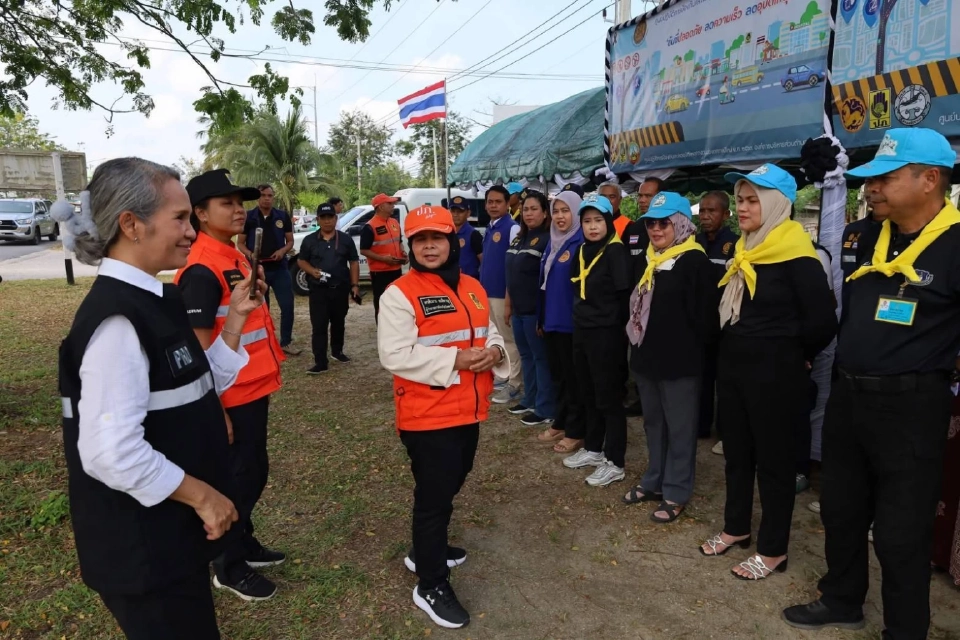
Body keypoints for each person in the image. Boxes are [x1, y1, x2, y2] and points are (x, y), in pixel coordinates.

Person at [55, 157, 263, 639]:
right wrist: (205, 497)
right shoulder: (117, 321)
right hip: (143, 551)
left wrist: (233, 321)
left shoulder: (154, 299)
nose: (192, 232)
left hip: (170, 539)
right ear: (131, 224)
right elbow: (110, 452)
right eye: (181, 218)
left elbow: (195, 383)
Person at [783, 128, 960, 637]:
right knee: (840, 510)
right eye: (871, 179)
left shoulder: (954, 244)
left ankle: (905, 630)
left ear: (929, 181)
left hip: (912, 408)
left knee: (901, 532)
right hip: (849, 396)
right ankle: (841, 599)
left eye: (886, 178)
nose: (873, 188)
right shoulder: (861, 236)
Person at [699, 163, 836, 581]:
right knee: (737, 455)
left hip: (777, 377)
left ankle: (774, 549)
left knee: (775, 465)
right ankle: (736, 527)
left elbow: (823, 322)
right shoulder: (745, 249)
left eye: (752, 200)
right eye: (739, 200)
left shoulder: (799, 256)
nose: (742, 208)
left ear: (777, 203)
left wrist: (793, 354)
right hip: (736, 371)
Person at [377, 205, 510, 630]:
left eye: (437, 237)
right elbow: (394, 355)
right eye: (420, 240)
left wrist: (495, 351)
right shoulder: (399, 293)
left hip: (469, 408)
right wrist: (458, 359)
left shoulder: (471, 285)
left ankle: (425, 549)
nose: (429, 246)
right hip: (427, 414)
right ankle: (430, 581)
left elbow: (486, 331)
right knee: (433, 500)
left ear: (452, 242)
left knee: (452, 481)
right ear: (410, 246)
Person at [176, 169, 287, 602]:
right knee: (241, 477)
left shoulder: (234, 255)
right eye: (226, 204)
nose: (238, 209)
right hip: (231, 394)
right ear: (201, 214)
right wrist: (214, 408)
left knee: (253, 470)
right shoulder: (202, 268)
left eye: (240, 202)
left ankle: (243, 541)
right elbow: (199, 350)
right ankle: (226, 563)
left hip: (253, 386)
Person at [622, 192, 720, 522]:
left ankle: (676, 490)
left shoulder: (695, 262)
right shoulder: (648, 259)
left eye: (664, 222)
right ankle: (654, 479)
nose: (655, 229)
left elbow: (707, 319)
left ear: (680, 223)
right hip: (647, 359)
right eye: (651, 222)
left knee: (680, 428)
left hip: (680, 363)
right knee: (653, 424)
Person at [562, 195, 632, 487]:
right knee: (588, 392)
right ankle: (593, 448)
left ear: (609, 222)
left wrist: (618, 333)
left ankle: (615, 461)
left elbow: (624, 296)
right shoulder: (582, 250)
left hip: (608, 335)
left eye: (598, 221)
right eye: (587, 221)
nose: (592, 227)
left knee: (609, 398)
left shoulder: (616, 252)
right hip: (583, 331)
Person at [537, 186, 586, 453]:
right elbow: (543, 284)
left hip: (570, 322)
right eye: (556, 211)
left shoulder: (580, 242)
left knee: (574, 379)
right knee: (559, 376)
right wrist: (541, 317)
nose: (560, 217)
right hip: (552, 320)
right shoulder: (552, 242)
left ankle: (577, 430)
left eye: (566, 211)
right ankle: (561, 421)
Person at [504, 190, 555, 425]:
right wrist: (508, 304)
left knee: (542, 359)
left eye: (534, 208)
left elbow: (548, 280)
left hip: (535, 310)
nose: (529, 213)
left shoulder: (548, 239)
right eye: (525, 209)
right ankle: (530, 398)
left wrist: (543, 315)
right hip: (518, 310)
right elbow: (511, 274)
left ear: (545, 213)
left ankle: (545, 408)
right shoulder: (519, 237)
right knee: (527, 356)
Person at [695, 191, 739, 447]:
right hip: (700, 323)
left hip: (725, 324)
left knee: (724, 380)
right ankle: (700, 426)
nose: (706, 216)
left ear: (726, 214)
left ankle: (724, 432)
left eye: (712, 211)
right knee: (700, 376)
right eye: (702, 211)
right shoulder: (694, 241)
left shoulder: (735, 243)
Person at [297, 202, 360, 374]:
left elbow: (354, 262)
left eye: (330, 217)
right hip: (318, 291)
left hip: (340, 289)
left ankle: (337, 352)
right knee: (319, 326)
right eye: (323, 218)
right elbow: (301, 260)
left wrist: (355, 285)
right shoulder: (309, 240)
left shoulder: (345, 239)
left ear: (335, 218)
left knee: (338, 323)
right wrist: (311, 271)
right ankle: (320, 361)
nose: (327, 221)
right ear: (317, 219)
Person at [238, 184, 299, 356]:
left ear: (274, 197)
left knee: (287, 306)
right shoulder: (249, 217)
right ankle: (265, 342)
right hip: (258, 270)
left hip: (280, 270)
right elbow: (240, 243)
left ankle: (286, 342)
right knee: (261, 308)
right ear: (258, 197)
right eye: (263, 195)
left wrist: (282, 251)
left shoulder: (282, 216)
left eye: (270, 195)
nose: (267, 198)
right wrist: (251, 254)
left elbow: (290, 242)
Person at [621, 177, 664, 417]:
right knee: (636, 353)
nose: (642, 200)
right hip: (635, 304)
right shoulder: (634, 228)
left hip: (658, 306)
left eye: (648, 196)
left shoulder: (669, 227)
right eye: (640, 195)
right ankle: (639, 396)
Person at [479, 185, 523, 403]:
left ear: (507, 204)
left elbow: (513, 267)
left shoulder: (512, 228)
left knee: (509, 339)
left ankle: (515, 383)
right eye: (490, 202)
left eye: (498, 202)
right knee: (496, 337)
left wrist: (509, 298)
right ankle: (504, 375)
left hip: (502, 294)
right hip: (487, 292)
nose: (493, 206)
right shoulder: (489, 227)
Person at [360, 193, 408, 322]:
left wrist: (403, 254)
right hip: (380, 273)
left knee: (397, 301)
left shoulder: (394, 222)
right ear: (380, 207)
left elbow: (399, 242)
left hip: (396, 270)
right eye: (390, 204)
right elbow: (364, 250)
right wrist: (383, 259)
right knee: (382, 303)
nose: (393, 206)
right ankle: (382, 329)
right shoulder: (370, 226)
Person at [450, 195, 483, 278]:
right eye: (453, 211)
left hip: (470, 282)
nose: (456, 214)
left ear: (468, 213)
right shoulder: (446, 233)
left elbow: (483, 261)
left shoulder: (473, 234)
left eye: (460, 211)